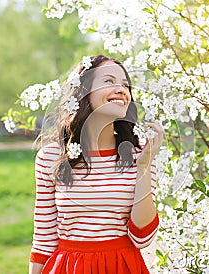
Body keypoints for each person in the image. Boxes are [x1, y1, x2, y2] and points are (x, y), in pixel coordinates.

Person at [29, 55, 163, 274]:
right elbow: (44, 240)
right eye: (109, 81)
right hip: (68, 268)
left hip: (123, 267)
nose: (121, 89)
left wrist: (144, 164)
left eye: (125, 84)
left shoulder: (141, 155)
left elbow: (142, 236)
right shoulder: (50, 157)